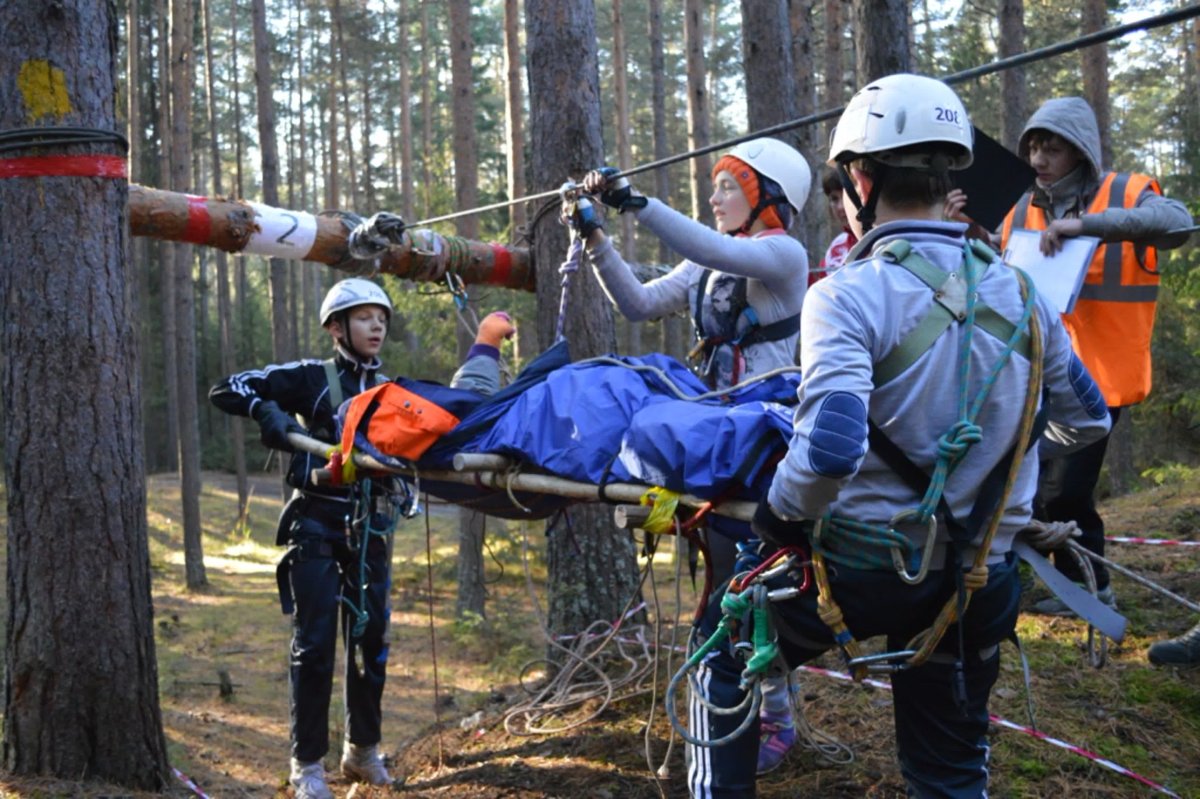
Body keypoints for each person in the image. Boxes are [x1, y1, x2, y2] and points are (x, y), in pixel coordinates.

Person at [682, 73, 1112, 798]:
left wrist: (778, 518)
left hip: (864, 576)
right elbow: (1088, 418)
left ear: (862, 178)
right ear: (946, 175)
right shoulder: (1023, 293)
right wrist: (1006, 471)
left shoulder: (846, 294)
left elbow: (828, 449)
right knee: (948, 774)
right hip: (980, 581)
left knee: (719, 652)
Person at [210, 278, 514, 799]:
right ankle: (307, 765)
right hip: (317, 528)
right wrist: (269, 412)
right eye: (364, 316)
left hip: (373, 529)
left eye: (382, 317)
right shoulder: (311, 377)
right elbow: (227, 389)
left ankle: (361, 752)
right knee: (315, 646)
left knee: (370, 642)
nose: (376, 325)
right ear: (336, 327)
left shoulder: (393, 395)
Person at [573, 139, 812, 773]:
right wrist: (599, 241)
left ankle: (777, 713)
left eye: (728, 186)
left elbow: (719, 249)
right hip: (718, 437)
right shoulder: (708, 267)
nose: (714, 197)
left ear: (767, 195)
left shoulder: (782, 256)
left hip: (767, 436)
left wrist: (638, 203)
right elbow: (640, 304)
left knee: (759, 582)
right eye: (714, 187)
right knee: (726, 573)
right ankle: (742, 707)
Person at [997, 97, 1193, 615]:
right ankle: (1045, 581)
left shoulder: (1126, 192)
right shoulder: (1020, 207)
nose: (1039, 158)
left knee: (1068, 491)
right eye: (1034, 146)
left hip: (1104, 374)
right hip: (1036, 372)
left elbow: (1176, 222)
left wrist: (1084, 225)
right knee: (1028, 486)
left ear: (1080, 150)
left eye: (1052, 147)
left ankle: (1091, 587)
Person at [809, 168, 858, 286]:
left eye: (847, 196)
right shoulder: (836, 247)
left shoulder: (883, 241)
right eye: (834, 199)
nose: (841, 207)